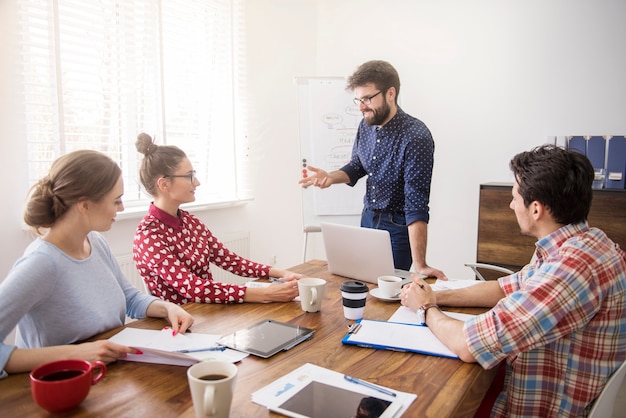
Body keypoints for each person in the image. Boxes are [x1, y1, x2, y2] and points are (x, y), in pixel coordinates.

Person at [400, 145, 626, 417]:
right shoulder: (581, 242)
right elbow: (505, 286)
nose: (510, 205)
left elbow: (468, 344)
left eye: (514, 198)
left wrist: (425, 310)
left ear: (535, 209)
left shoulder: (571, 269)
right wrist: (434, 295)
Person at [0, 150, 193, 379]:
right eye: (116, 200)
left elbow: (129, 298)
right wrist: (75, 353)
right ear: (84, 205)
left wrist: (168, 308)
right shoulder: (41, 264)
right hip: (58, 387)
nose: (121, 208)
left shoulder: (96, 242)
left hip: (104, 376)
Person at [298, 60, 446, 280]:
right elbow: (357, 166)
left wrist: (420, 264)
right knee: (363, 285)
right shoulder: (365, 125)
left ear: (390, 93)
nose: (361, 107)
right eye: (358, 99)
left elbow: (416, 204)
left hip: (397, 227)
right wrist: (331, 177)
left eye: (367, 98)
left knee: (390, 292)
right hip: (367, 220)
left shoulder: (416, 136)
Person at [133, 133, 302, 305]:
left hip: (210, 313)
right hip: (180, 324)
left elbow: (231, 261)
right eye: (189, 176)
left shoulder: (190, 222)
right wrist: (265, 294)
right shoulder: (148, 236)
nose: (197, 182)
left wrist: (281, 273)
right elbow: (194, 288)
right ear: (164, 184)